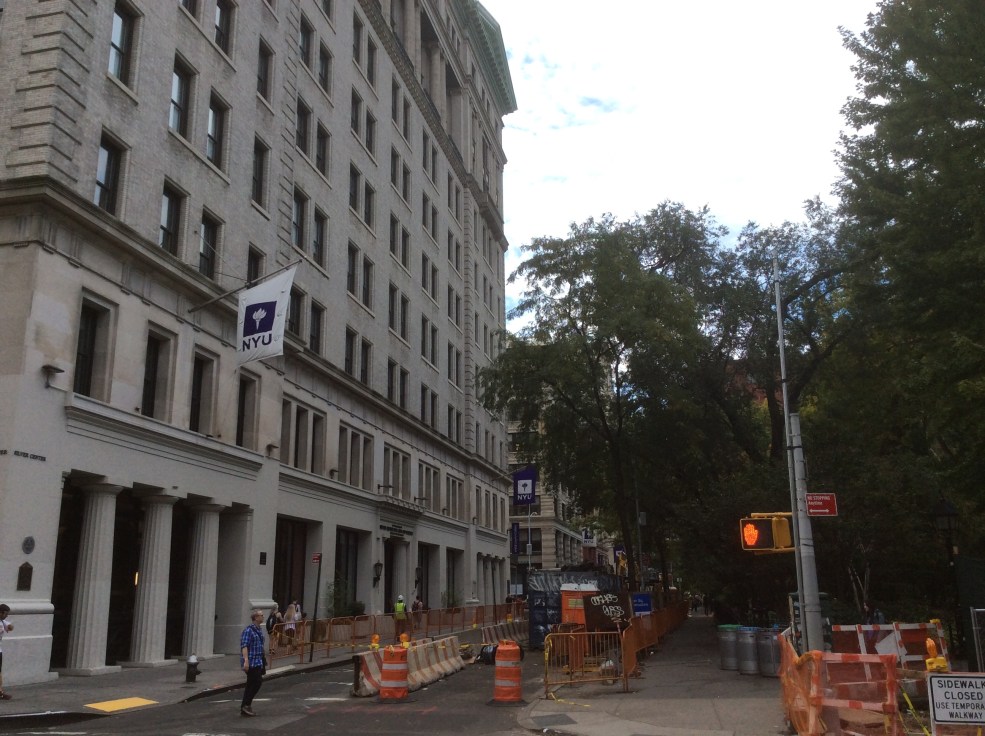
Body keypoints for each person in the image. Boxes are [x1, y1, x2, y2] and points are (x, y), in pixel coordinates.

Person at [239, 609, 266, 717]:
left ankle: (245, 706)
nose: (263, 617)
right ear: (255, 617)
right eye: (261, 615)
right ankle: (246, 704)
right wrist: (246, 661)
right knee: (257, 681)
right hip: (251, 661)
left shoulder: (259, 630)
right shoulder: (248, 631)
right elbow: (244, 646)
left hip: (258, 660)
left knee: (251, 683)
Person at [0, 604, 13, 700]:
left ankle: (0, 692)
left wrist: (9, 626)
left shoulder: (2, 621)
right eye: (6, 613)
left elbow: (9, 626)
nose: (7, 615)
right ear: (1, 612)